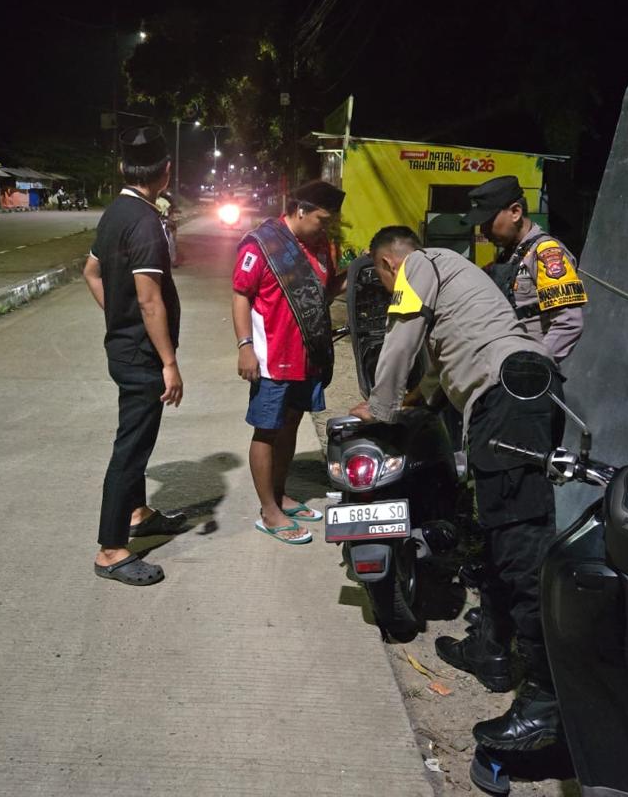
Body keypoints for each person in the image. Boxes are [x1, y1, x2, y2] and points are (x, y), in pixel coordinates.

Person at [348, 226, 565, 753]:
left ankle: (548, 701)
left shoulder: (419, 264)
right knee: (495, 531)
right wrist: (416, 401)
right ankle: (491, 648)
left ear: (387, 264)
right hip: (524, 388)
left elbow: (402, 336)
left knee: (521, 546)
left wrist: (380, 407)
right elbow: (443, 363)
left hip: (506, 397)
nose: (388, 289)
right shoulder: (455, 276)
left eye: (383, 279)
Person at [83, 125, 187, 586]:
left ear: (124, 168)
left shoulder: (115, 213)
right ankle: (111, 549)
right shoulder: (145, 222)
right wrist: (169, 363)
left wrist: (116, 316)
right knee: (132, 446)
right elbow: (149, 300)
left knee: (136, 436)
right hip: (142, 356)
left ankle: (138, 513)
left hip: (123, 347)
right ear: (166, 172)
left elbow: (90, 272)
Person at [233, 179, 346, 545]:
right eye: (322, 219)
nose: (325, 227)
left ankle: (280, 495)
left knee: (290, 425)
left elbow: (322, 292)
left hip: (306, 356)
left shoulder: (321, 246)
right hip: (271, 358)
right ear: (300, 210)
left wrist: (354, 276)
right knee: (267, 430)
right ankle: (269, 512)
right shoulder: (262, 244)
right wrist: (245, 346)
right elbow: (241, 295)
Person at [460, 175, 586, 362]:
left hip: (526, 368)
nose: (483, 231)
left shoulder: (546, 252)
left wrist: (534, 364)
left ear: (515, 212)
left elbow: (568, 323)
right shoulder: (508, 255)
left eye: (488, 221)